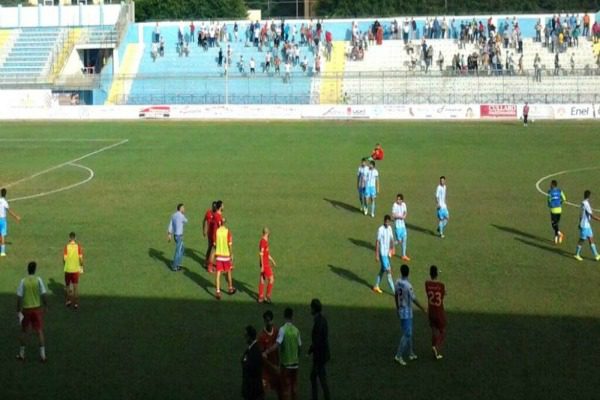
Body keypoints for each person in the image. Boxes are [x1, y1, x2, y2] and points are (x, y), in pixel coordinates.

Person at [263, 308, 301, 400]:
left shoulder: (282, 329)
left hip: (286, 365)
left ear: (284, 316)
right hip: (295, 364)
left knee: (285, 389)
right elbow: (300, 346)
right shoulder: (296, 330)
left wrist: (266, 351)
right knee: (294, 388)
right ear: (292, 316)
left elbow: (277, 344)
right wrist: (296, 356)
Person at [16, 261, 48, 363]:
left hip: (26, 309)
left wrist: (18, 310)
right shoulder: (38, 280)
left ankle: (22, 354)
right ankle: (43, 356)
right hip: (37, 309)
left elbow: (19, 297)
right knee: (39, 331)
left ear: (28, 270)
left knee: (24, 331)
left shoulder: (23, 281)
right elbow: (43, 294)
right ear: (35, 270)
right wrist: (46, 305)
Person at [394, 264, 425, 366]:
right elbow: (414, 299)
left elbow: (395, 295)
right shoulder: (408, 286)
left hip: (401, 311)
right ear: (408, 273)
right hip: (407, 312)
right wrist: (423, 308)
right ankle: (398, 355)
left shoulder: (397, 282)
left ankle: (411, 353)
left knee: (409, 332)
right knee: (407, 333)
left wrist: (397, 308)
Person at [309, 299, 330, 400]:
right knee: (317, 377)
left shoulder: (318, 322)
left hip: (319, 355)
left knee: (319, 378)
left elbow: (317, 340)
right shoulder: (323, 319)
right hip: (323, 353)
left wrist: (310, 350)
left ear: (314, 309)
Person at [258, 310, 281, 399]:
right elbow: (262, 357)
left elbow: (277, 350)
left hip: (275, 367)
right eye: (267, 321)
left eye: (270, 320)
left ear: (273, 320)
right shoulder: (261, 336)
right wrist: (273, 367)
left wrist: (278, 365)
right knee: (263, 392)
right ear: (264, 321)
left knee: (280, 390)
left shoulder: (276, 331)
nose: (268, 323)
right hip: (266, 370)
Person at [425, 265, 446, 360]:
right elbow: (443, 295)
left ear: (430, 274)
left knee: (434, 330)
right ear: (437, 274)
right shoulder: (441, 285)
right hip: (439, 312)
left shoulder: (427, 284)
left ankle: (433, 345)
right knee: (442, 331)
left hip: (431, 312)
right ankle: (436, 347)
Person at [574, 190, 600, 261]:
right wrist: (599, 219)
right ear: (589, 196)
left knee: (591, 238)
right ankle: (576, 254)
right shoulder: (586, 204)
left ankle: (596, 255)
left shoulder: (583, 203)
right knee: (582, 240)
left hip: (587, 225)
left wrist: (579, 223)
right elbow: (592, 215)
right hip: (585, 225)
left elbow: (581, 214)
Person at [373, 215, 395, 294]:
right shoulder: (380, 229)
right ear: (384, 221)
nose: (387, 223)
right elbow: (377, 242)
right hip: (382, 254)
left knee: (382, 270)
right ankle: (395, 292)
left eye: (388, 222)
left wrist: (392, 249)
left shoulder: (390, 228)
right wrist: (377, 255)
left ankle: (376, 286)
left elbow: (392, 239)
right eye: (386, 222)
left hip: (387, 254)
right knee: (389, 272)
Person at [214, 218, 236, 299]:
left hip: (219, 256)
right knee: (228, 272)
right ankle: (230, 288)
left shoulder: (216, 231)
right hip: (226, 256)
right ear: (225, 223)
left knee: (218, 274)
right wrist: (231, 254)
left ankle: (218, 292)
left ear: (220, 223)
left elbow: (214, 244)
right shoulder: (227, 232)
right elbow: (230, 244)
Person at [242, 325, 264, 400]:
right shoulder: (251, 349)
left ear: (250, 337)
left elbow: (251, 369)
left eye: (246, 335)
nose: (245, 337)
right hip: (252, 391)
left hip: (253, 392)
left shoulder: (255, 351)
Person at [63, 232, 84, 309]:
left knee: (68, 287)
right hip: (75, 269)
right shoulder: (78, 246)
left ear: (69, 238)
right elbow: (81, 259)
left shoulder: (66, 247)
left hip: (68, 269)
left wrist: (65, 265)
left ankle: (68, 301)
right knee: (75, 287)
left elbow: (64, 259)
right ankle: (76, 304)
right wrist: (81, 267)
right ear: (75, 238)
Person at [258, 227, 277, 304]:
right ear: (267, 233)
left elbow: (266, 254)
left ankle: (260, 297)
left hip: (265, 263)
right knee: (271, 279)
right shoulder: (263, 242)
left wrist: (272, 260)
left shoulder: (265, 241)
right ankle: (267, 296)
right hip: (265, 264)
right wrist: (262, 266)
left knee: (262, 279)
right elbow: (261, 254)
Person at [0, 188, 21, 256]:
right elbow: (9, 211)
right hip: (2, 220)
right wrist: (16, 217)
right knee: (2, 235)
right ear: (5, 194)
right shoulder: (4, 202)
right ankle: (2, 252)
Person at [167, 203, 187, 271]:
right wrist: (183, 214)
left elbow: (170, 225)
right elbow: (186, 221)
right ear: (180, 208)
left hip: (175, 235)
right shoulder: (181, 216)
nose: (184, 209)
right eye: (183, 208)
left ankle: (178, 263)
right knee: (178, 251)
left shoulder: (173, 215)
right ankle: (175, 266)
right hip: (179, 236)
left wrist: (169, 234)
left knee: (182, 249)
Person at [392, 194, 410, 261]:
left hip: (403, 226)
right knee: (399, 241)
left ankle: (403, 255)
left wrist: (404, 215)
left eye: (399, 199)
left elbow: (405, 212)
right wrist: (400, 217)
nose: (397, 200)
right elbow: (393, 215)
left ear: (402, 200)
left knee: (404, 240)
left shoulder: (404, 204)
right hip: (397, 226)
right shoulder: (394, 205)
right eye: (397, 199)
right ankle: (390, 246)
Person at [208, 200, 225, 273]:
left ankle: (215, 265)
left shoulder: (217, 215)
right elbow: (220, 226)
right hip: (217, 236)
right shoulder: (218, 216)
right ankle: (210, 267)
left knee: (216, 251)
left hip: (217, 236)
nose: (224, 207)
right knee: (213, 251)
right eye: (223, 205)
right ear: (220, 207)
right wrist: (223, 221)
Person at [203, 201, 217, 272]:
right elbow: (204, 221)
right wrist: (204, 230)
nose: (214, 207)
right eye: (213, 206)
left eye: (215, 206)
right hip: (211, 234)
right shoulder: (209, 213)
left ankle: (207, 263)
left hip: (215, 234)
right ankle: (209, 265)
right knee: (212, 249)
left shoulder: (217, 214)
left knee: (211, 248)